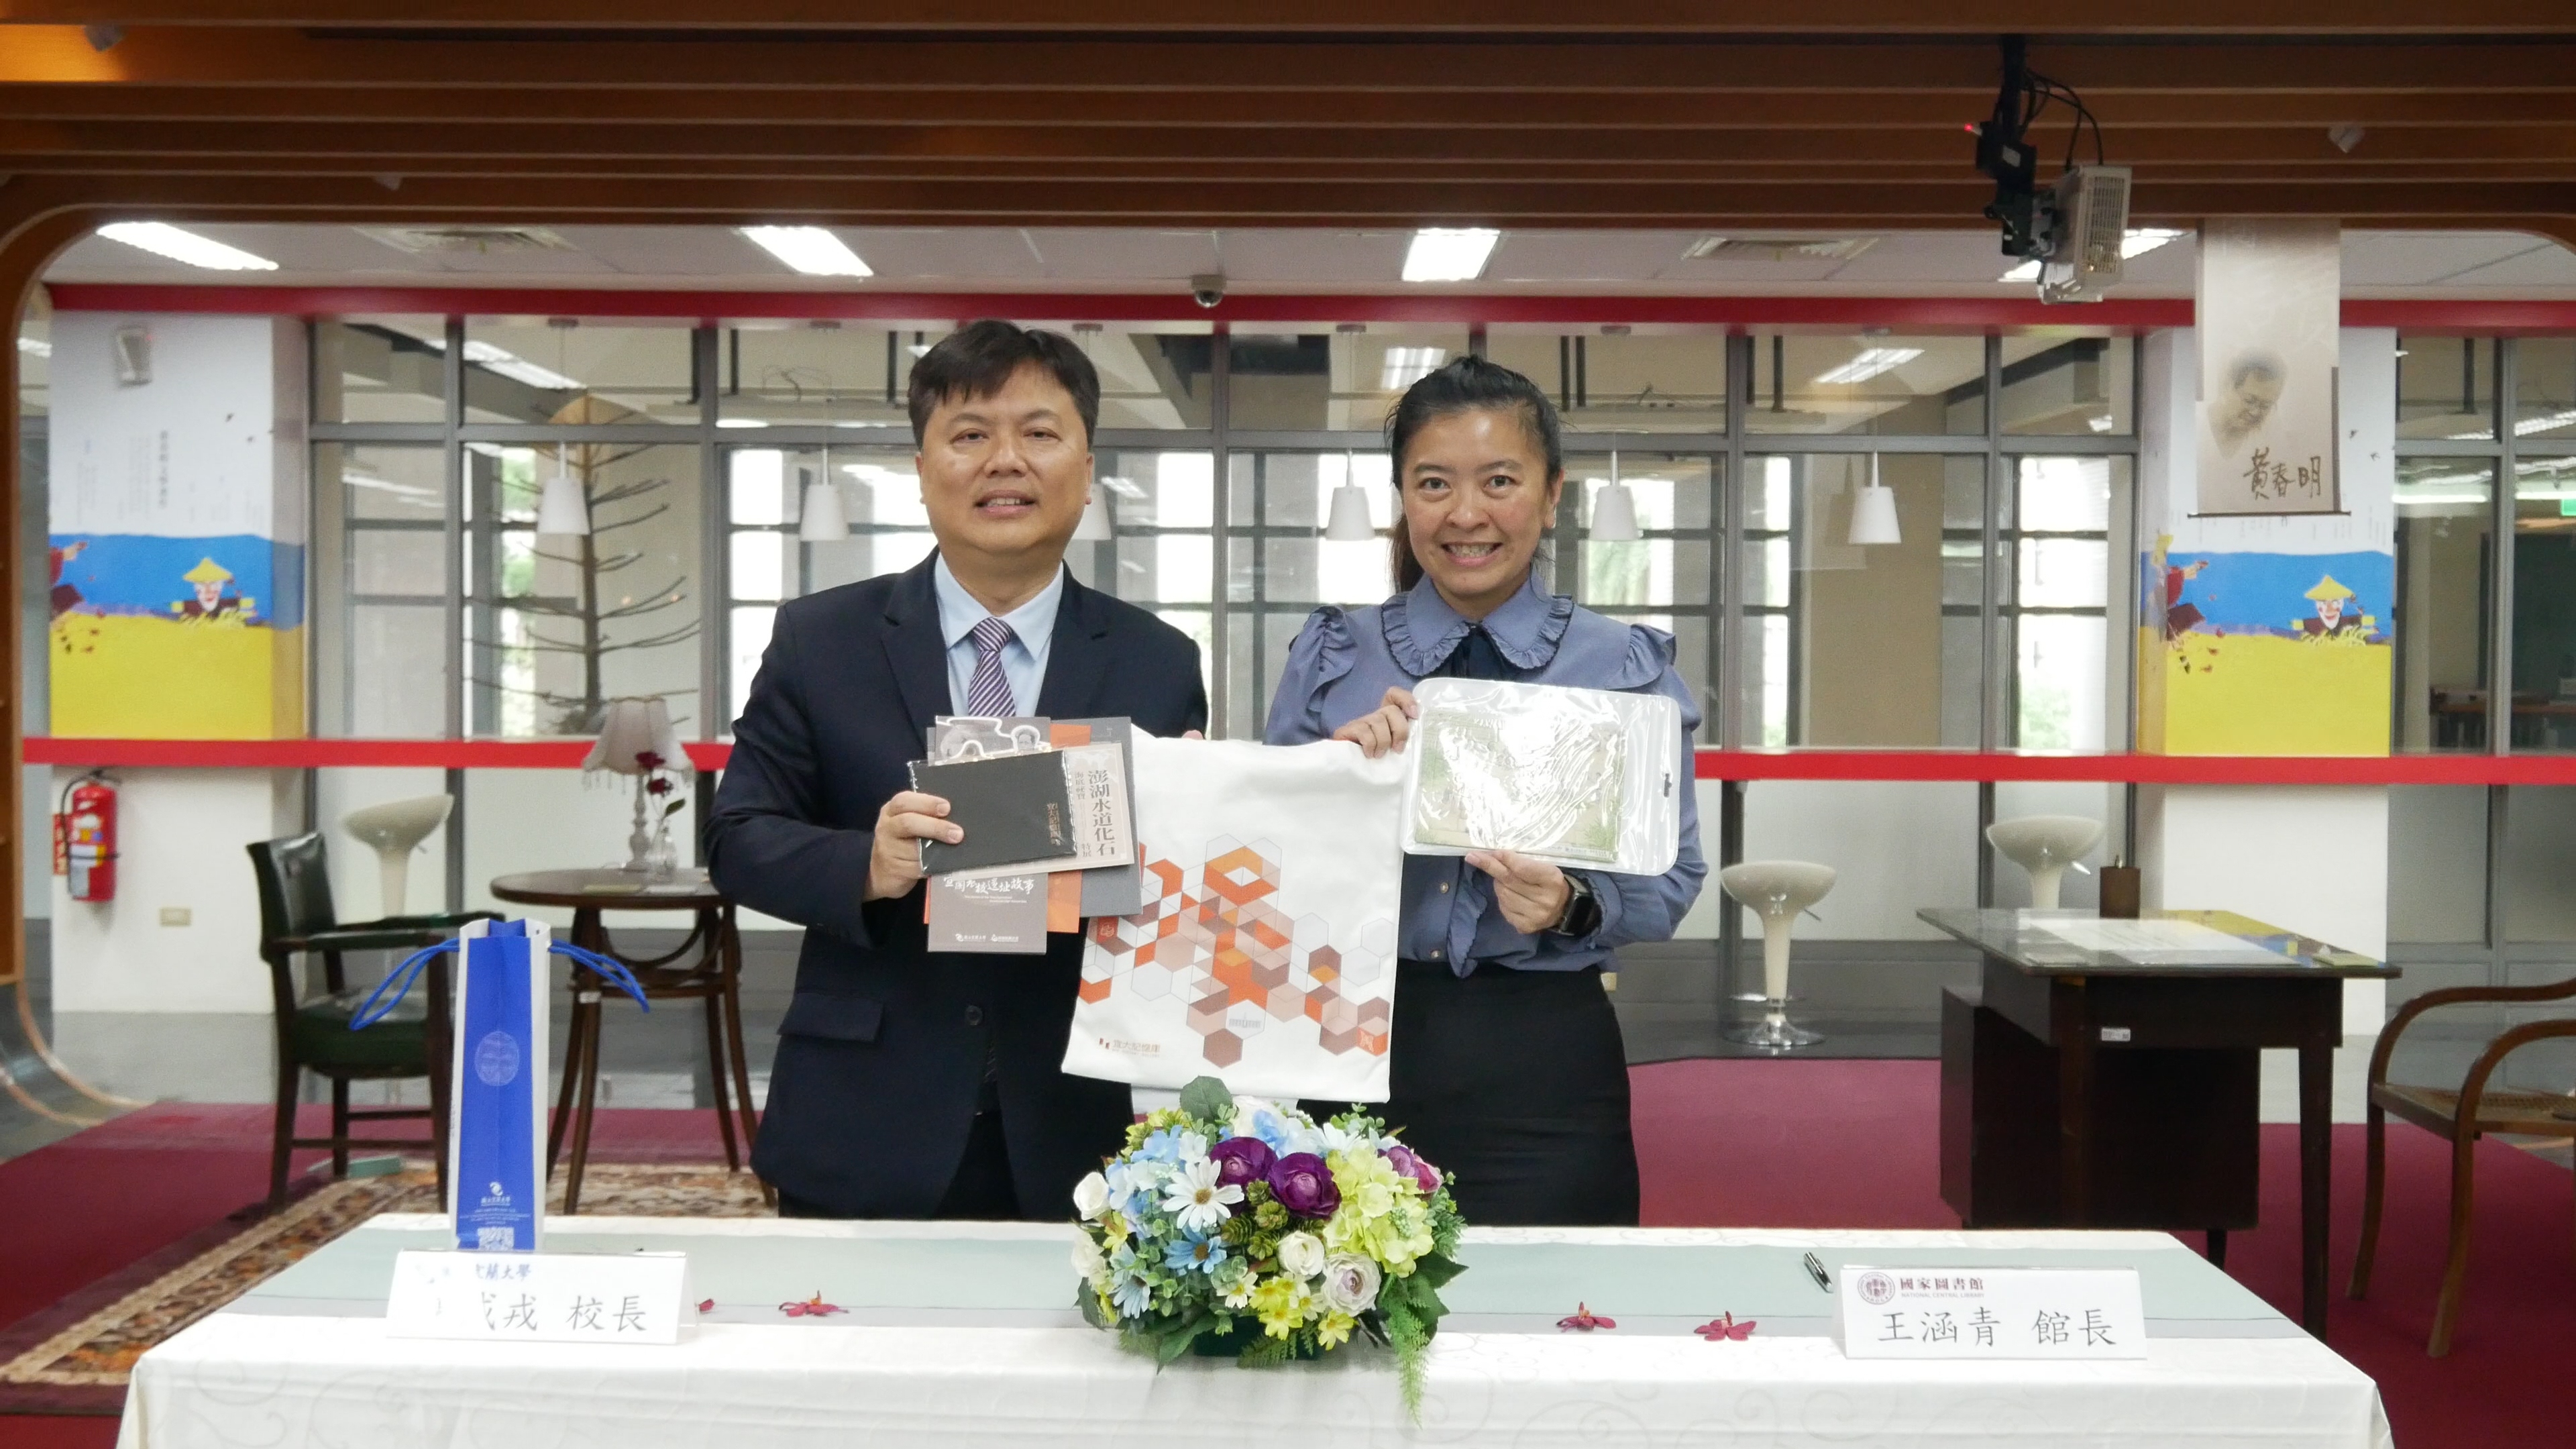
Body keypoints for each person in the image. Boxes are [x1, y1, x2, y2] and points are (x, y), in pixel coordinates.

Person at [707, 320, 1208, 1220]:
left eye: (1039, 433)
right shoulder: (821, 640)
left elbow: (1170, 904)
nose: (1005, 461)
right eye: (971, 434)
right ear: (922, 466)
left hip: (1075, 1126)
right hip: (864, 1110)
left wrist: (1193, 841)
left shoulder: (1158, 662)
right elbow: (738, 839)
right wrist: (869, 864)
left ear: (1087, 467)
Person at [1264, 356, 1705, 1226]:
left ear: (1552, 494)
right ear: (1402, 497)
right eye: (1434, 483)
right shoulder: (1336, 655)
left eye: (1500, 481)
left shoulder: (1621, 668)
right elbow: (1263, 877)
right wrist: (1333, 787)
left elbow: (1673, 883)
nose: (1466, 514)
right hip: (1346, 1047)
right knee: (1337, 1305)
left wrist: (1573, 904)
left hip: (1544, 1064)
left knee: (1558, 1299)